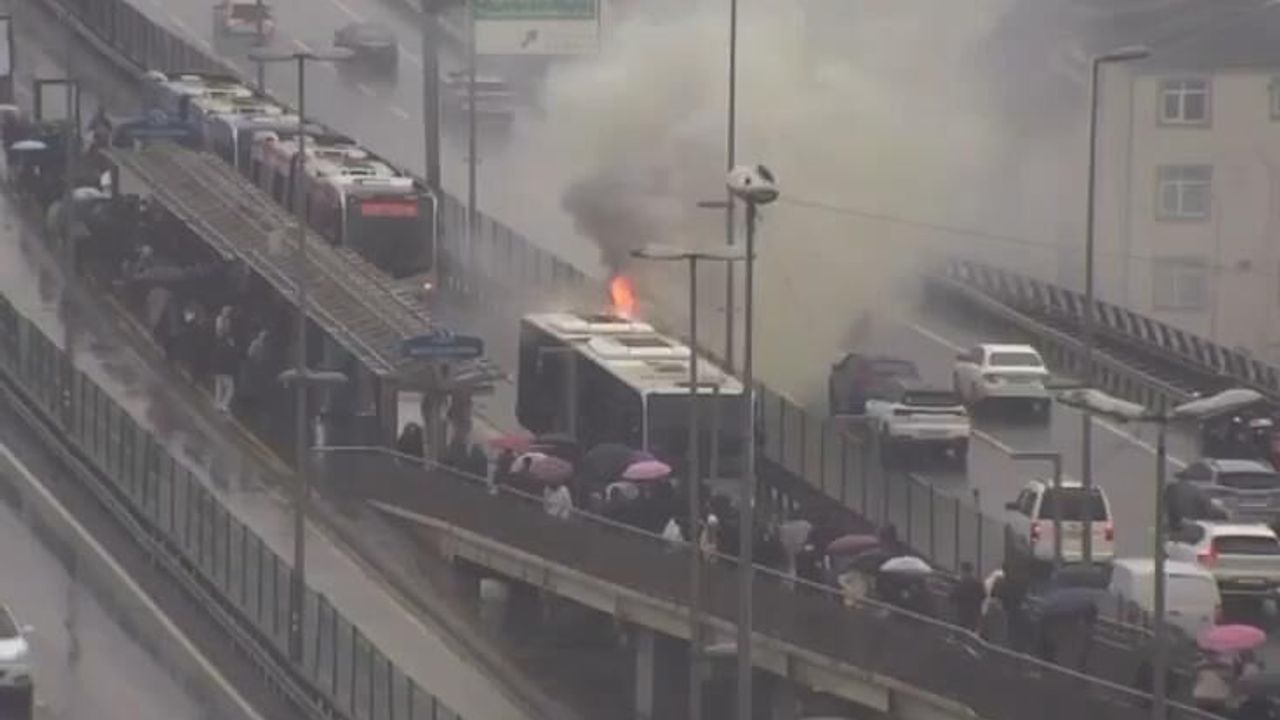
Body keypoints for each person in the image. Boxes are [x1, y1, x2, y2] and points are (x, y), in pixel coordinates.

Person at [950, 562, 986, 631]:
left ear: (962, 571)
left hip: (961, 615)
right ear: (972, 571)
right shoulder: (978, 583)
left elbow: (952, 598)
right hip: (975, 614)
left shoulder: (960, 584)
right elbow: (983, 596)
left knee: (962, 633)